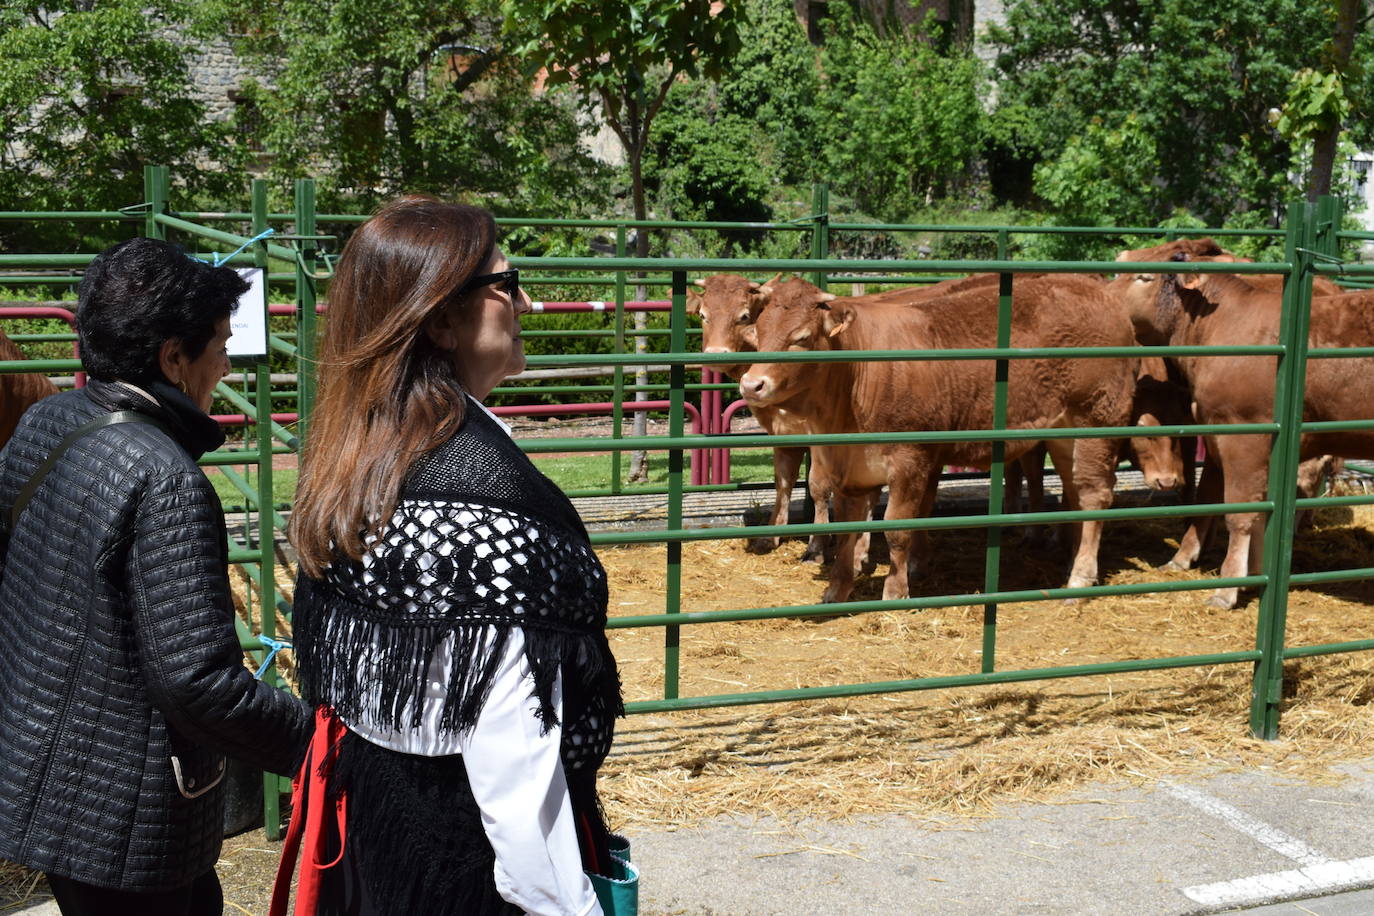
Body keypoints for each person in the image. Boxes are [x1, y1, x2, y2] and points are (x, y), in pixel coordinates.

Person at [283, 196, 623, 916]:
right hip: (467, 871)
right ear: (440, 319)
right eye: (507, 283)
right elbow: (513, 766)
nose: (526, 300)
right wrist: (570, 906)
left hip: (375, 844)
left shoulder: (358, 458)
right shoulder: (486, 501)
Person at [0, 237, 312, 915]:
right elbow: (196, 681)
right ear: (174, 357)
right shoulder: (166, 478)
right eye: (219, 347)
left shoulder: (44, 422)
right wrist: (317, 747)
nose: (226, 364)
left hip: (41, 783)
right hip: (126, 816)